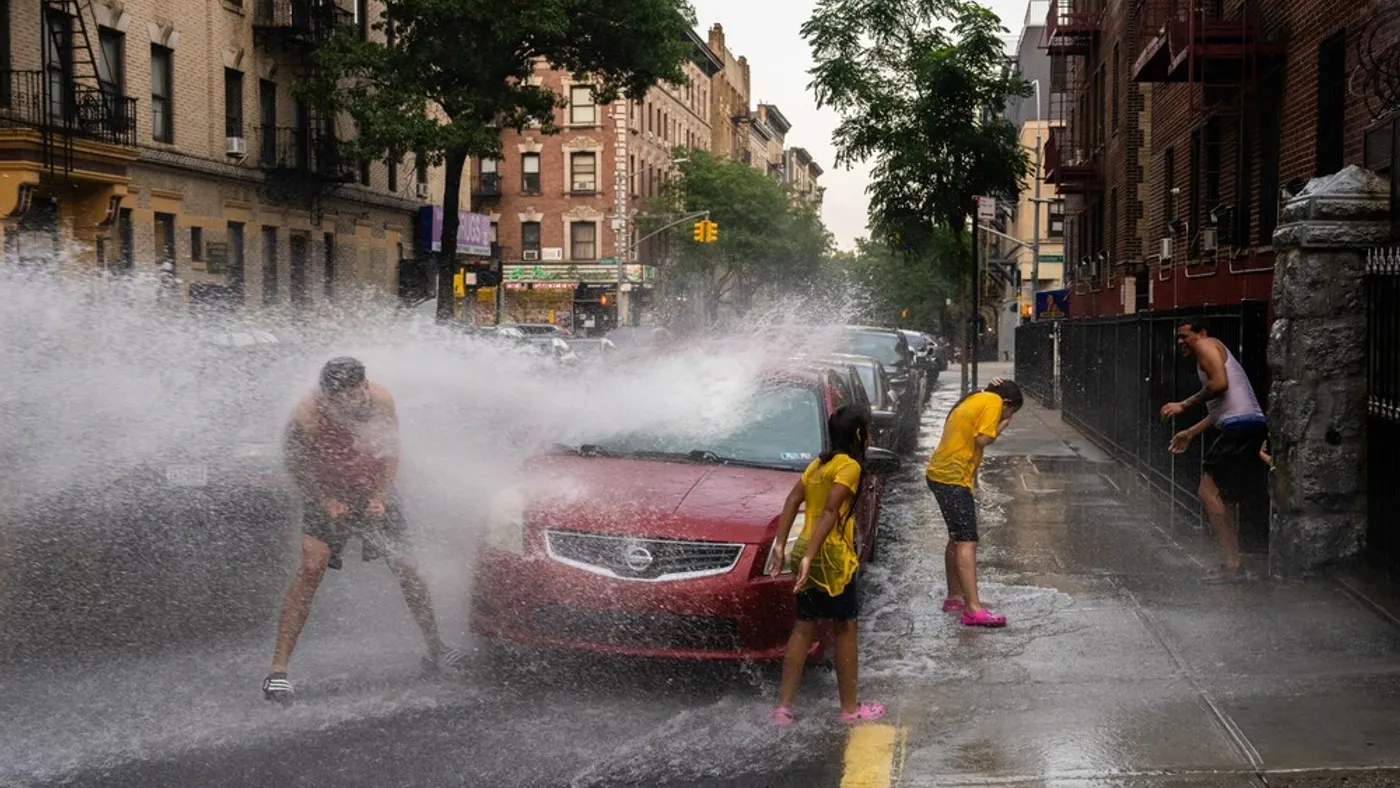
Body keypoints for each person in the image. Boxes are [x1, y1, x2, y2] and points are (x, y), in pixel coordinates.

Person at [262, 357, 464, 703]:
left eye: (360, 392)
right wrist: (325, 500)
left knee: (408, 568)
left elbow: (390, 449)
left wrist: (381, 497)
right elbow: (294, 463)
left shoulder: (381, 401)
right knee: (311, 568)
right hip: (326, 494)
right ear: (328, 397)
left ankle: (436, 649)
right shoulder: (306, 415)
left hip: (372, 490)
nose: (357, 400)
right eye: (346, 397)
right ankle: (276, 673)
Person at [767, 405, 885, 726]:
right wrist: (812, 557)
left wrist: (783, 546)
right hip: (831, 557)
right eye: (868, 430)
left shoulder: (818, 465)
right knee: (845, 627)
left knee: (804, 626)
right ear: (859, 434)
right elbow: (831, 512)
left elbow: (792, 501)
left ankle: (783, 708)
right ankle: (849, 709)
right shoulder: (849, 467)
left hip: (806, 547)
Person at [1161, 321, 1268, 584]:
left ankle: (1232, 566)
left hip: (1240, 428)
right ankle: (1235, 564)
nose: (1181, 342)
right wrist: (1190, 433)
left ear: (1202, 334)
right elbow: (1219, 409)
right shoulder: (1209, 355)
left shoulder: (1206, 345)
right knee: (1226, 499)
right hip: (1246, 426)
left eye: (1185, 336)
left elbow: (1219, 385)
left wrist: (1184, 405)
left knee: (1207, 491)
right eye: (1178, 338)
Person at [926, 379, 1024, 628]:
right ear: (1008, 403)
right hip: (953, 478)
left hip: (940, 474)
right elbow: (982, 439)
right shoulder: (993, 402)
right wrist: (1002, 424)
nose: (1008, 415)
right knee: (968, 541)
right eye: (1011, 412)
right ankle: (973, 609)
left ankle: (955, 597)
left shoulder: (976, 398)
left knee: (957, 538)